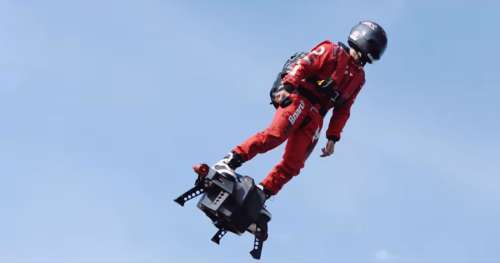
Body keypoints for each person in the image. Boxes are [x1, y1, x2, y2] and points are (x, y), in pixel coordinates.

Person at [215, 21, 388, 198]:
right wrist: (288, 86)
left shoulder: (358, 78)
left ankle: (263, 193)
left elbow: (344, 110)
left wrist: (333, 137)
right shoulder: (331, 51)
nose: (367, 58)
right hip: (300, 99)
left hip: (316, 117)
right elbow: (305, 64)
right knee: (275, 136)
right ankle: (229, 161)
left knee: (294, 163)